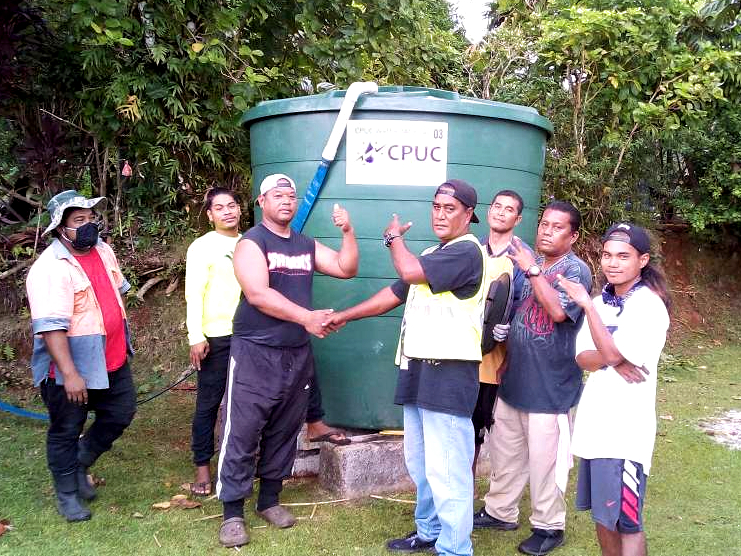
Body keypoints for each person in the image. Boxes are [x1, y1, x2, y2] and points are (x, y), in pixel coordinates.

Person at [328, 179, 486, 556]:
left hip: (449, 374)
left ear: (468, 216)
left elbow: (411, 272)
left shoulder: (466, 252)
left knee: (448, 470)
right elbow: (392, 295)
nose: (440, 214)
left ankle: (454, 548)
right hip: (418, 370)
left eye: (450, 209)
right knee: (422, 464)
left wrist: (392, 238)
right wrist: (344, 316)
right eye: (436, 207)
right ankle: (429, 531)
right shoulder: (434, 252)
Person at [216, 173, 358, 548]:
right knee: (243, 430)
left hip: (295, 352)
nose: (286, 201)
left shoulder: (304, 244)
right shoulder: (252, 242)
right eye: (277, 195)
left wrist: (347, 232)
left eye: (291, 196)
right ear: (261, 202)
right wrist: (307, 318)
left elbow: (346, 268)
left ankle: (269, 501)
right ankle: (232, 512)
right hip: (255, 350)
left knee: (284, 428)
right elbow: (258, 294)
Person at [473, 200, 592, 556]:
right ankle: (500, 511)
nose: (547, 231)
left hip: (552, 386)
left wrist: (533, 271)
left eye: (557, 227)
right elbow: (513, 312)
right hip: (515, 379)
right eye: (544, 224)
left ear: (573, 235)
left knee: (546, 461)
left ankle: (549, 525)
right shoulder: (531, 263)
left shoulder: (575, 270)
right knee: (505, 454)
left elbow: (557, 312)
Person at [558, 223, 670, 556]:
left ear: (643, 260)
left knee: (627, 523)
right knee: (604, 519)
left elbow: (606, 353)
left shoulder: (647, 305)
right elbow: (583, 358)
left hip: (626, 435)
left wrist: (592, 318)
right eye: (607, 255)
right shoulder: (602, 301)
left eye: (623, 256)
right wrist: (612, 357)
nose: (613, 263)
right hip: (596, 430)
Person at [25, 190, 136, 522]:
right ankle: (68, 495)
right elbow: (50, 327)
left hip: (111, 358)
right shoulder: (50, 268)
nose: (88, 225)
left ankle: (80, 461)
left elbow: (117, 295)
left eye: (90, 219)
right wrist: (70, 374)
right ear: (61, 229)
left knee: (121, 411)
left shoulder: (103, 250)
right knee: (66, 428)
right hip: (70, 368)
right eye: (78, 221)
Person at [185, 187, 243, 497]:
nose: (227, 211)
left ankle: (238, 463)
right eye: (219, 208)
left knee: (244, 403)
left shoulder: (251, 242)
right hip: (216, 336)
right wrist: (197, 336)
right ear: (210, 215)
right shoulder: (202, 246)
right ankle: (202, 467)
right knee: (209, 403)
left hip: (248, 335)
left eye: (231, 205)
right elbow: (194, 293)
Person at [473, 190, 530, 478]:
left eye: (508, 209)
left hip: (496, 365)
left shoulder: (522, 257)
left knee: (488, 432)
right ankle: (462, 499)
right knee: (463, 433)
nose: (500, 212)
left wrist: (508, 329)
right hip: (462, 358)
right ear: (488, 210)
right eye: (497, 206)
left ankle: (499, 502)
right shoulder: (472, 249)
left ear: (517, 219)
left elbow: (525, 304)